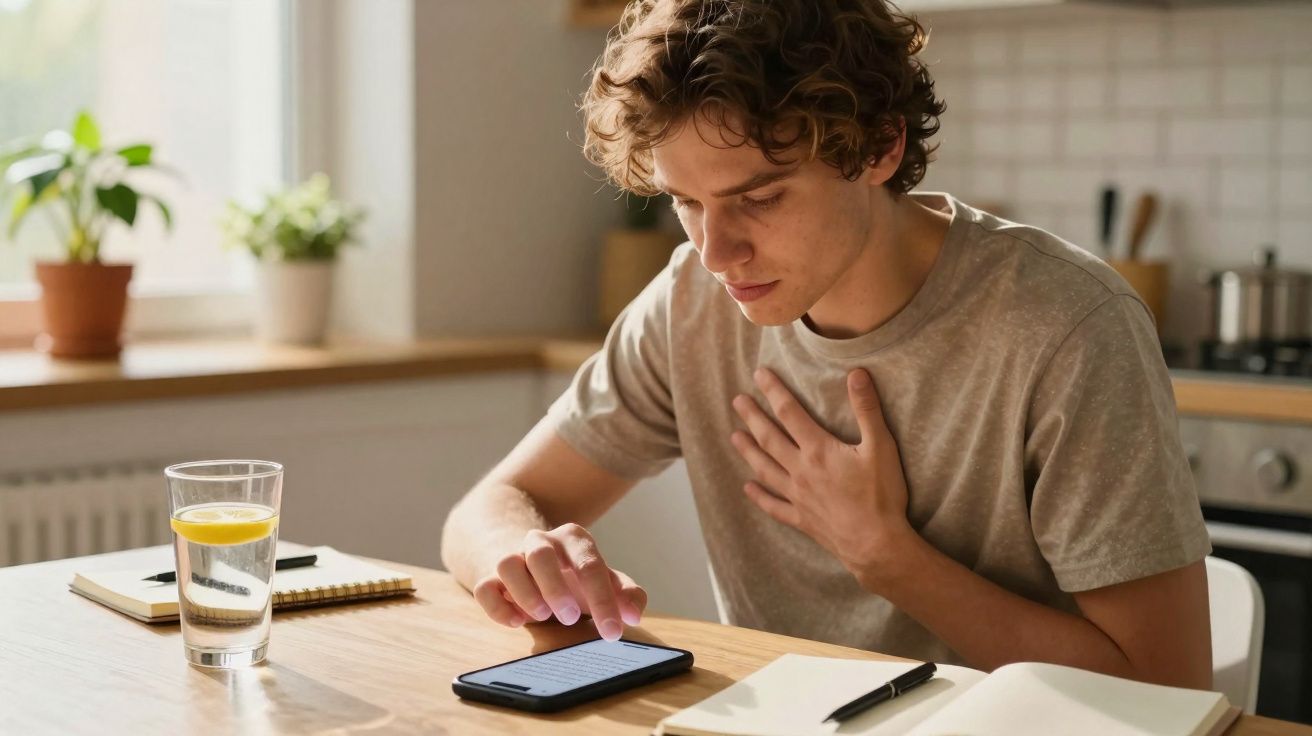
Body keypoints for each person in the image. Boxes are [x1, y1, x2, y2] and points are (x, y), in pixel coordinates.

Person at [441, 0, 1213, 688]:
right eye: (686, 203)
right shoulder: (689, 302)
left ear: (878, 148)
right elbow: (491, 507)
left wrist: (886, 555)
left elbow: (1162, 685)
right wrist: (526, 552)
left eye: (761, 198)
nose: (716, 252)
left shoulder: (1066, 325)